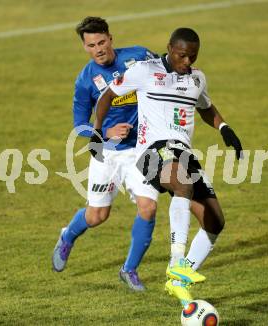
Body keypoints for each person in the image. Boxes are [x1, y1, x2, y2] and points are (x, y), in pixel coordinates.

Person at [91, 27, 243, 306]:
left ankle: (177, 281)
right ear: (170, 48)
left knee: (214, 221)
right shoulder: (144, 71)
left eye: (193, 57)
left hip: (181, 152)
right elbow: (107, 97)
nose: (187, 63)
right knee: (181, 181)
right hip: (150, 152)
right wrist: (97, 131)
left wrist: (224, 127)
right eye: (183, 56)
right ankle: (176, 261)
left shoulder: (197, 79)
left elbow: (205, 106)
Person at [51, 16, 160, 292]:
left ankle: (129, 270)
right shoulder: (85, 81)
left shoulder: (139, 56)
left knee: (148, 207)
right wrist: (106, 132)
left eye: (101, 42)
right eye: (91, 45)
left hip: (142, 148)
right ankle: (68, 236)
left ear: (111, 38)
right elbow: (80, 126)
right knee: (97, 216)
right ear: (85, 47)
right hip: (107, 154)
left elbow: (165, 74)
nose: (98, 49)